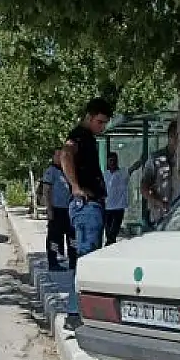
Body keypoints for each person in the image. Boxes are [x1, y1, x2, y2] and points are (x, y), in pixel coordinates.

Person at [57, 96, 112, 258]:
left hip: (91, 204)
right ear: (89, 117)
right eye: (99, 122)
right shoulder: (79, 135)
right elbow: (66, 154)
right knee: (88, 258)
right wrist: (75, 186)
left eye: (105, 123)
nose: (102, 127)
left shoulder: (86, 137)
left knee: (90, 259)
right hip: (86, 205)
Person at [40, 154, 76, 270]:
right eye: (58, 156)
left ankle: (73, 260)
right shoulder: (51, 171)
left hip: (69, 209)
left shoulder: (68, 170)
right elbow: (46, 191)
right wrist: (49, 209)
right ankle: (53, 262)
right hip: (56, 210)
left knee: (72, 238)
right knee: (54, 238)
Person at [140, 120, 176, 230]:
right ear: (170, 136)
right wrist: (159, 203)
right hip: (159, 218)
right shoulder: (155, 158)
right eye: (176, 135)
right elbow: (144, 188)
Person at [102, 152, 127, 245]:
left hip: (119, 207)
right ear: (108, 162)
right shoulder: (105, 174)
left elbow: (133, 168)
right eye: (110, 161)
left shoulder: (123, 173)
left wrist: (141, 160)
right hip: (107, 207)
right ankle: (109, 246)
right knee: (108, 232)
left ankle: (110, 246)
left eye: (114, 160)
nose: (112, 163)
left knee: (114, 231)